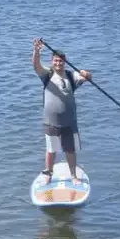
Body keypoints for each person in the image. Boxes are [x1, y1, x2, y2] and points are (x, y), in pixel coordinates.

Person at [32, 38, 92, 184]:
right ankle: (48, 174)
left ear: (64, 62)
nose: (58, 63)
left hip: (69, 121)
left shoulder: (71, 76)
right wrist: (36, 51)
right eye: (56, 61)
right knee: (51, 150)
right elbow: (36, 66)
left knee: (70, 150)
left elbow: (88, 77)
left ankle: (73, 176)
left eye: (61, 61)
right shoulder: (47, 74)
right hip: (51, 121)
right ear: (52, 61)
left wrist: (86, 73)